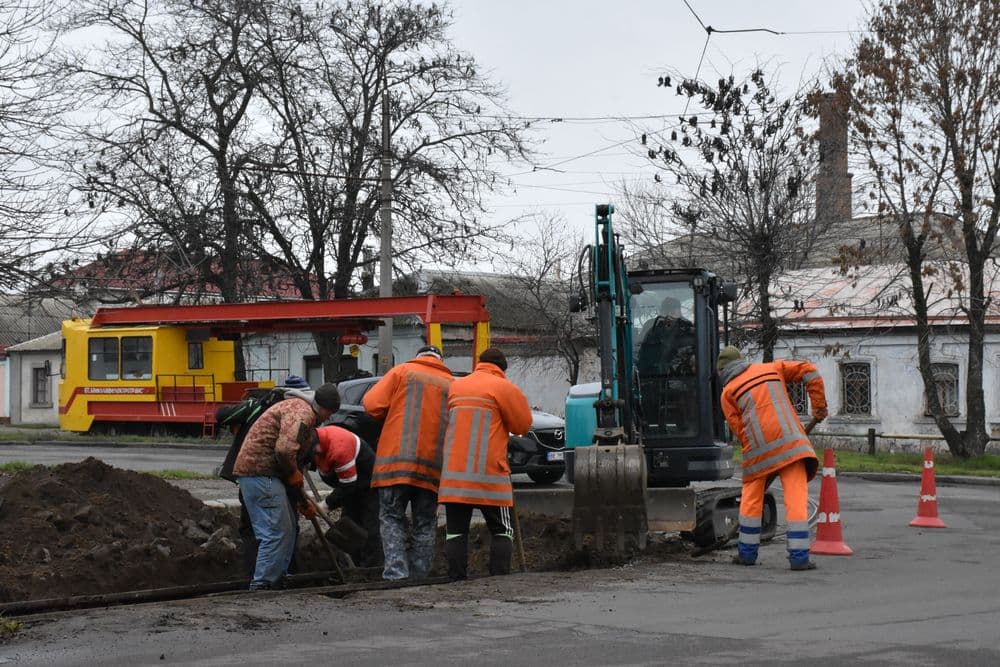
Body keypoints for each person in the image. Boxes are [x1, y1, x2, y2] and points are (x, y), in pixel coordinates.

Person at [717, 346, 827, 571]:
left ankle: (746, 555)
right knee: (796, 499)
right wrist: (819, 407)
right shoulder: (772, 369)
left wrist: (761, 448)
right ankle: (799, 558)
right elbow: (810, 371)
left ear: (722, 371)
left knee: (751, 501)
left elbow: (739, 429)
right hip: (791, 445)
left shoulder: (727, 393)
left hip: (758, 453)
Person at [233, 383, 341, 590]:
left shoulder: (300, 409)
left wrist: (302, 499)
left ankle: (278, 579)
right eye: (330, 413)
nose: (328, 418)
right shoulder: (303, 412)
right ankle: (263, 585)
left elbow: (291, 456)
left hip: (265, 474)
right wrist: (293, 473)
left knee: (288, 528)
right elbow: (284, 451)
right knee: (275, 531)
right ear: (323, 407)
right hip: (260, 473)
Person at [438, 348, 533, 580]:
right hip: (489, 476)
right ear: (502, 369)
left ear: (479, 363)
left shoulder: (457, 386)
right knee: (503, 529)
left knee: (455, 532)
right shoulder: (504, 388)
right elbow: (522, 426)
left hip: (454, 476)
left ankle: (456, 579)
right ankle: (498, 579)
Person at [363, 344, 453, 580]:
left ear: (418, 357)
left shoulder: (402, 371)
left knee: (392, 518)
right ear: (440, 360)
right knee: (425, 522)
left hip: (395, 463)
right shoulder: (453, 384)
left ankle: (396, 574)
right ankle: (420, 576)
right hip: (432, 466)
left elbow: (372, 405)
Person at [313, 424, 381, 566]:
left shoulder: (340, 448)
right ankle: (353, 563)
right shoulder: (313, 442)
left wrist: (327, 504)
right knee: (349, 523)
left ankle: (373, 567)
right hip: (348, 484)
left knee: (370, 526)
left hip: (368, 482)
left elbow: (348, 486)